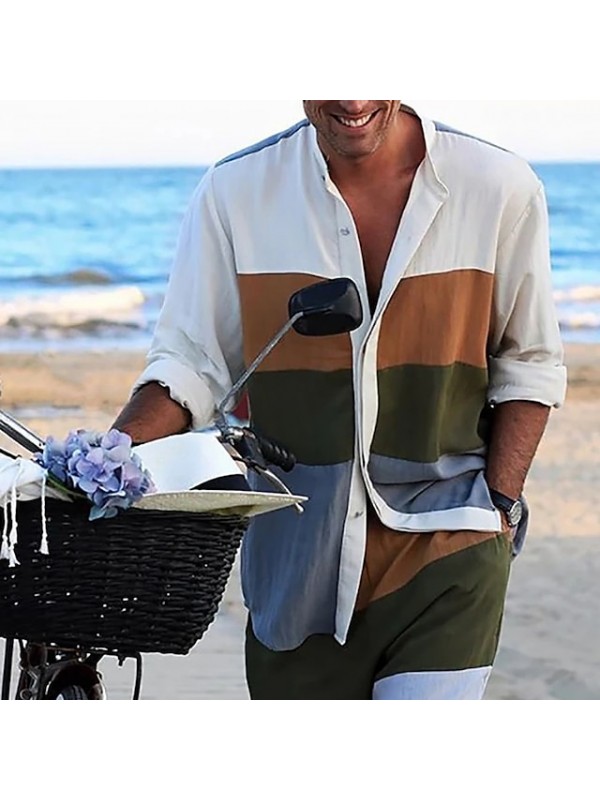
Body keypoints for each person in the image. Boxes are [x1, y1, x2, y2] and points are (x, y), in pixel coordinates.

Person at [113, 101, 567, 700]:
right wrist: (108, 457)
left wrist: (499, 505)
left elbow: (529, 359)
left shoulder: (497, 185)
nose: (353, 102)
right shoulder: (236, 192)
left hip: (449, 544)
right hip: (294, 567)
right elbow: (193, 363)